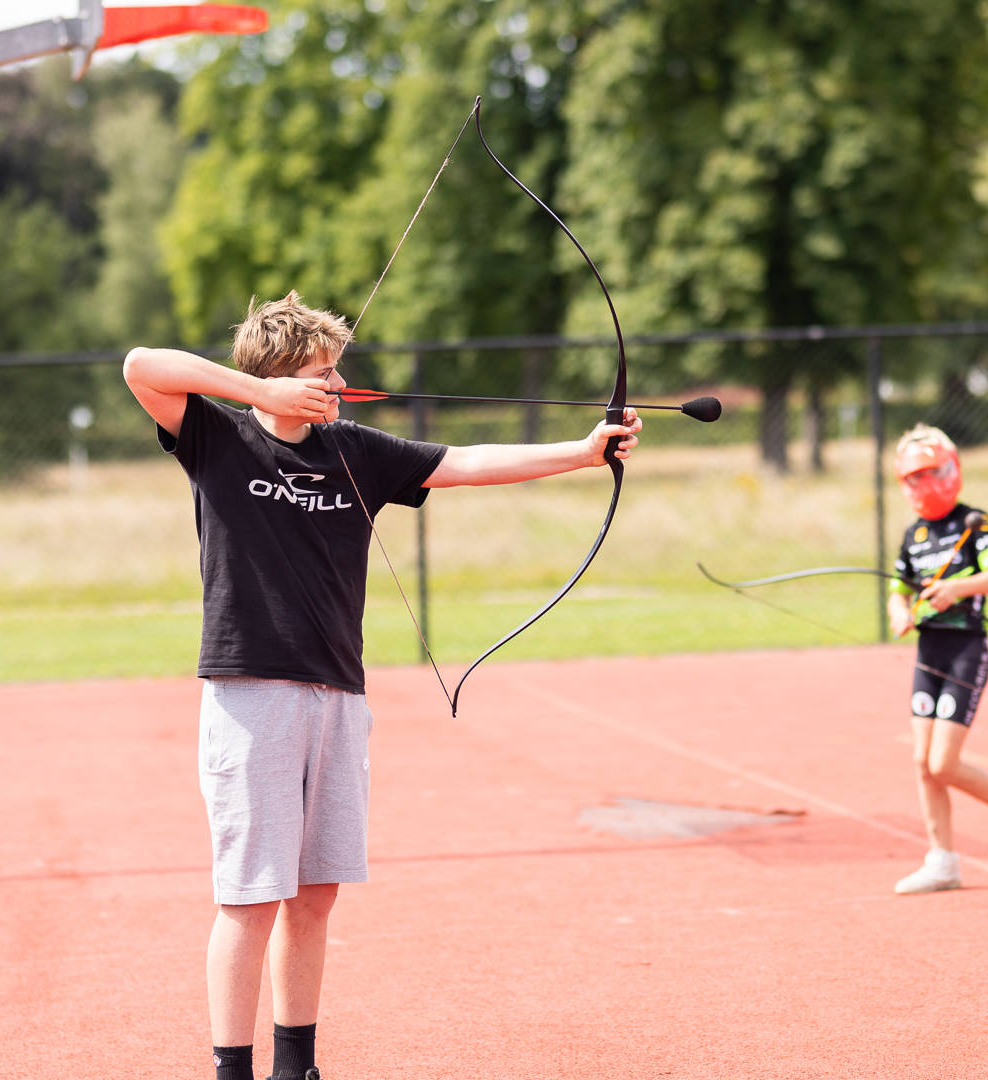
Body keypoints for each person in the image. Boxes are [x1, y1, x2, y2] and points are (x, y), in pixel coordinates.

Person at [121, 291, 642, 1080]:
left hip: (338, 693)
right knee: (251, 895)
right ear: (275, 375)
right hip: (252, 692)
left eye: (336, 370)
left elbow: (462, 463)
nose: (335, 384)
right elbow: (140, 366)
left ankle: (297, 1066)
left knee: (315, 894)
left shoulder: (353, 449)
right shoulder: (216, 438)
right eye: (320, 372)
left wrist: (583, 450)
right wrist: (261, 395)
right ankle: (233, 1070)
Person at [886, 424, 988, 895]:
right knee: (922, 762)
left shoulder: (975, 522)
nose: (921, 485)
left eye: (929, 473)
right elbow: (898, 588)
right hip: (928, 651)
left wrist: (956, 588)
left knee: (943, 763)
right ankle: (942, 860)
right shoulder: (913, 535)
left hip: (965, 651)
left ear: (951, 468)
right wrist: (901, 613)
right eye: (912, 478)